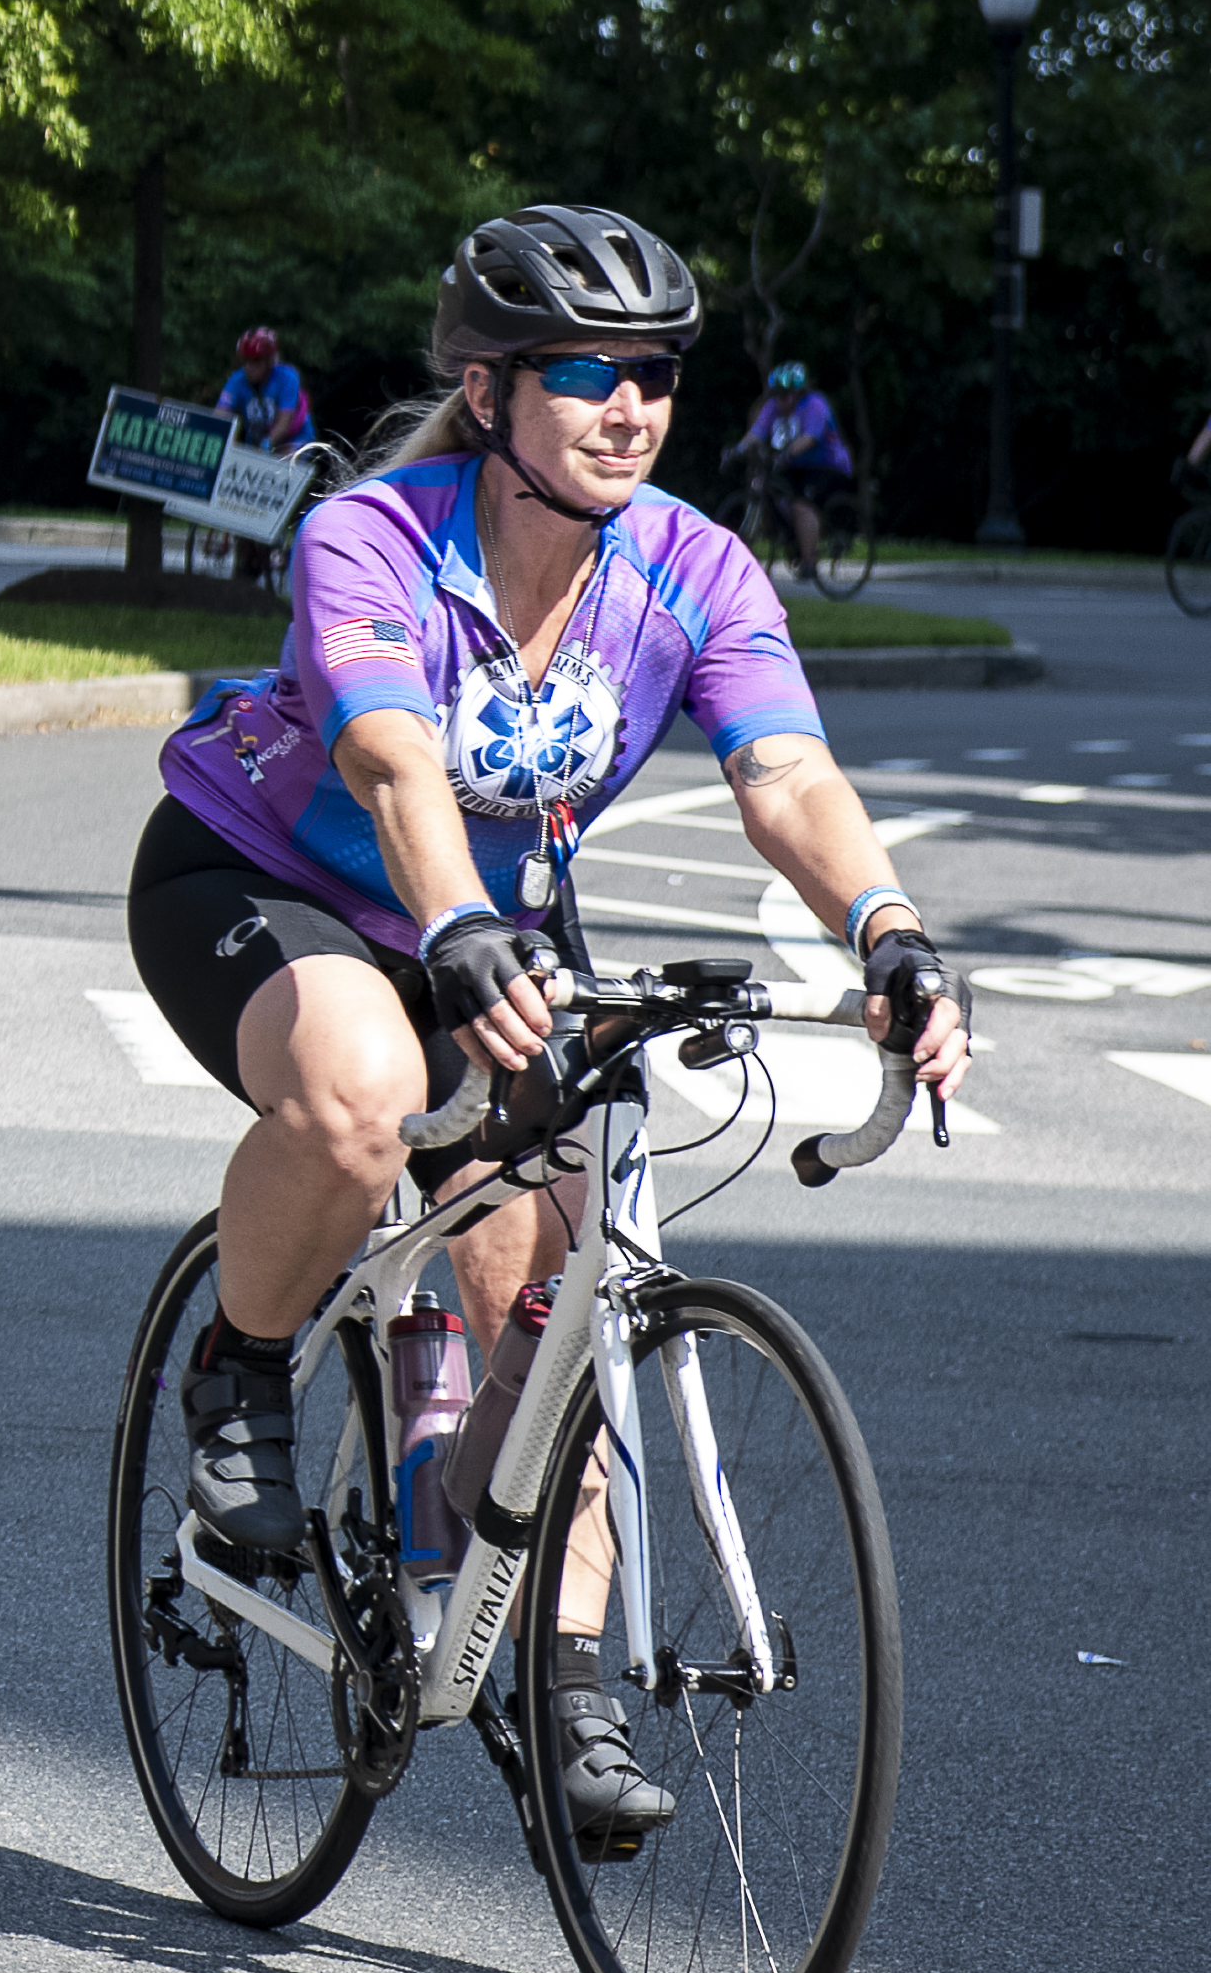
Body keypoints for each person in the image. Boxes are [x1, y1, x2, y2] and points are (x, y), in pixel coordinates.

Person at [124, 205, 968, 1841]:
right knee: (361, 1089)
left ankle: (553, 1670)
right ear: (489, 391)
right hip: (265, 872)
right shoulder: (372, 536)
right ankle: (236, 1366)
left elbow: (784, 776)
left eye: (652, 373)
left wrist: (888, 932)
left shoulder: (691, 567)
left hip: (490, 920)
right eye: (582, 370)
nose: (625, 404)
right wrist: (450, 926)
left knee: (566, 1285)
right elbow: (390, 760)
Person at [730, 360, 852, 579]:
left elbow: (810, 437)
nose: (781, 400)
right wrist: (737, 449)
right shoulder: (773, 407)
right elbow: (757, 433)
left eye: (785, 395)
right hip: (795, 464)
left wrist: (785, 452)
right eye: (777, 394)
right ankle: (793, 538)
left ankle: (809, 562)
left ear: (798, 393)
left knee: (802, 505)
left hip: (827, 464)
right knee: (770, 488)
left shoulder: (814, 404)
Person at [217, 325, 314, 582]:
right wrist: (221, 438)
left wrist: (268, 443)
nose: (250, 368)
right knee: (243, 487)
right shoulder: (237, 380)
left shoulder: (287, 377)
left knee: (281, 469)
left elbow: (284, 421)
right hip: (257, 444)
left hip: (293, 440)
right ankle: (248, 557)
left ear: (270, 362)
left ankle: (284, 536)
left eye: (257, 362)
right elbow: (221, 416)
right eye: (247, 362)